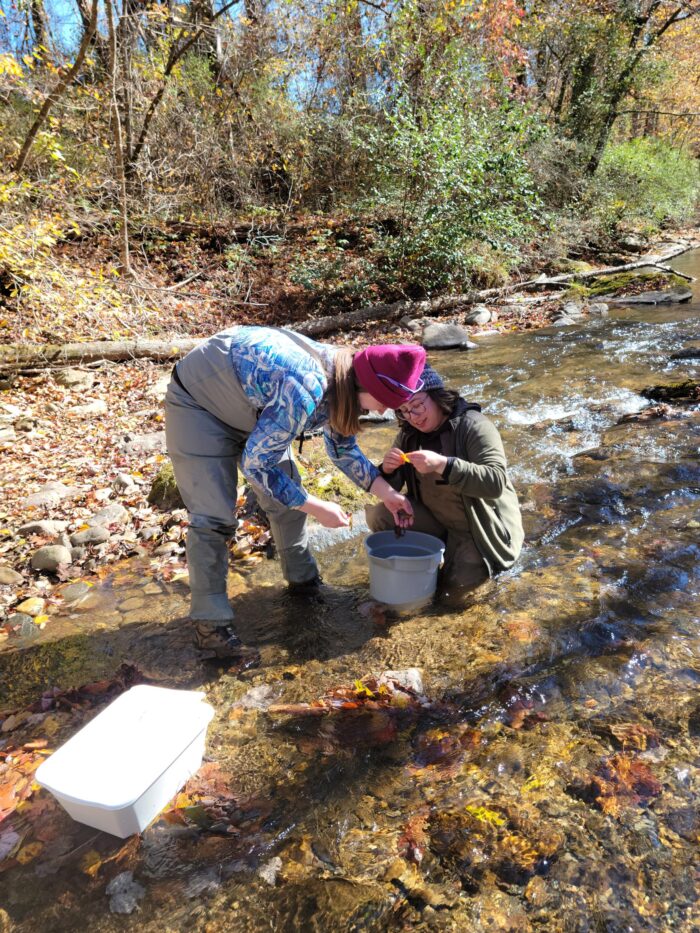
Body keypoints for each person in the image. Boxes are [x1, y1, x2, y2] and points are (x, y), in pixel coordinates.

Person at [165, 325, 425, 657]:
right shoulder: (306, 385)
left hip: (256, 408)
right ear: (364, 384)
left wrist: (387, 492)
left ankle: (303, 583)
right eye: (384, 403)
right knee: (214, 516)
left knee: (287, 498)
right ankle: (211, 628)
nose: (381, 412)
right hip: (200, 405)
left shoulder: (344, 374)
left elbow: (342, 448)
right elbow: (258, 464)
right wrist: (315, 506)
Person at [366, 368, 524, 597]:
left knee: (453, 594)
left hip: (478, 528)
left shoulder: (474, 425)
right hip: (436, 519)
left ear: (436, 395)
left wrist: (444, 465)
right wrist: (387, 470)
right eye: (404, 411)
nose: (414, 416)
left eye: (418, 404)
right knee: (380, 515)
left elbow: (495, 483)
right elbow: (392, 488)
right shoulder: (409, 434)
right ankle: (429, 557)